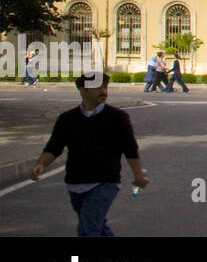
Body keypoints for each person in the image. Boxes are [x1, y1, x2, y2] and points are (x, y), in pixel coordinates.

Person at [30, 73, 148, 236]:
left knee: (88, 229)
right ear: (83, 90)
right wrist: (41, 164)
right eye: (98, 87)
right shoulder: (67, 119)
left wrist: (138, 175)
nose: (103, 91)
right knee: (97, 226)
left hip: (105, 182)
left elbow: (130, 148)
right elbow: (54, 147)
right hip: (75, 182)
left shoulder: (118, 118)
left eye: (105, 87)